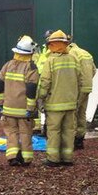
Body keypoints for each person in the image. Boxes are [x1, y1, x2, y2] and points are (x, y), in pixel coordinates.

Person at [37, 29, 84, 167]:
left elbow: (45, 82)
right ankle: (67, 158)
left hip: (54, 105)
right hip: (70, 104)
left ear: (51, 44)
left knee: (54, 132)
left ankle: (53, 159)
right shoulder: (74, 59)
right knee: (69, 131)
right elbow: (80, 81)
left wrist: (40, 98)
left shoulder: (50, 61)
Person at [0, 35, 40, 166]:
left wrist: (0, 104)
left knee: (11, 133)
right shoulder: (31, 67)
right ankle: (26, 159)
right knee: (26, 133)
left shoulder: (7, 65)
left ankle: (12, 157)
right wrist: (31, 108)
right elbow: (31, 88)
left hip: (8, 108)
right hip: (23, 110)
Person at [68, 36, 96, 149]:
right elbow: (94, 70)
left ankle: (74, 140)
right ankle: (80, 139)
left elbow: (73, 71)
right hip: (87, 87)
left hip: (78, 87)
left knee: (73, 113)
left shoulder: (71, 54)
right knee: (82, 113)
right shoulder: (85, 53)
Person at [31, 30, 52, 133]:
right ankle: (37, 127)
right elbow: (38, 62)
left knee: (49, 105)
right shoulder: (43, 50)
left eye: (49, 37)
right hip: (39, 79)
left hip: (49, 80)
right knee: (36, 103)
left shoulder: (54, 50)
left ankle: (48, 127)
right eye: (47, 37)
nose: (48, 39)